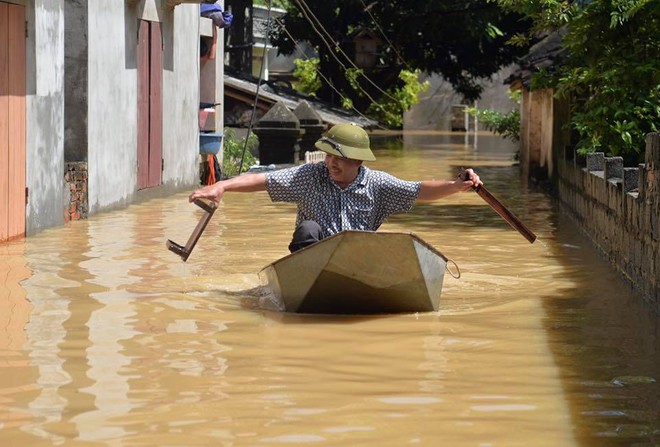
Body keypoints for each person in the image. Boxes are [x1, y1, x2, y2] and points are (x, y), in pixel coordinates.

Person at [188, 123, 482, 253]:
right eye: (329, 156)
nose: (331, 163)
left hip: (355, 259)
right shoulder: (310, 176)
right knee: (308, 229)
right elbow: (264, 180)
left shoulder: (377, 184)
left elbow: (419, 190)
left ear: (358, 162)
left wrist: (457, 186)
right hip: (312, 260)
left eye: (339, 159)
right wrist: (222, 186)